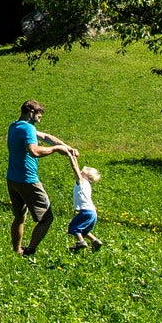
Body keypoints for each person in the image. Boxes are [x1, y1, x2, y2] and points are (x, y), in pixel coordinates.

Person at [7, 99, 76, 255]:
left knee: (19, 217)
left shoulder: (15, 126)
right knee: (47, 218)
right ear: (31, 112)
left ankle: (16, 250)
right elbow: (34, 151)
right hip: (28, 180)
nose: (40, 118)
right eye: (39, 115)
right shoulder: (28, 128)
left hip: (12, 179)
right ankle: (30, 250)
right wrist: (56, 149)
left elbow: (45, 136)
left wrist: (67, 147)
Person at [66, 153, 103, 251]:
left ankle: (81, 242)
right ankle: (95, 241)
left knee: (74, 227)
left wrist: (70, 157)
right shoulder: (87, 184)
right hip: (92, 213)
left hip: (86, 212)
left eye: (82, 171)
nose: (80, 171)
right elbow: (77, 168)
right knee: (84, 230)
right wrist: (74, 158)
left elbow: (75, 168)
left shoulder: (81, 181)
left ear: (84, 174)